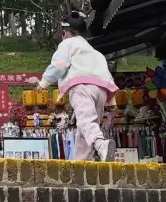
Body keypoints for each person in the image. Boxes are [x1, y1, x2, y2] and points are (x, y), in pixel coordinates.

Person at [39, 12, 117, 162]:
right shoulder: (95, 52)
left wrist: (44, 82)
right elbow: (107, 75)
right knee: (85, 129)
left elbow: (59, 65)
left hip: (81, 87)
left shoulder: (68, 44)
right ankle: (82, 164)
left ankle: (101, 145)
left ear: (66, 32)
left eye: (62, 34)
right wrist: (111, 100)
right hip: (101, 91)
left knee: (86, 122)